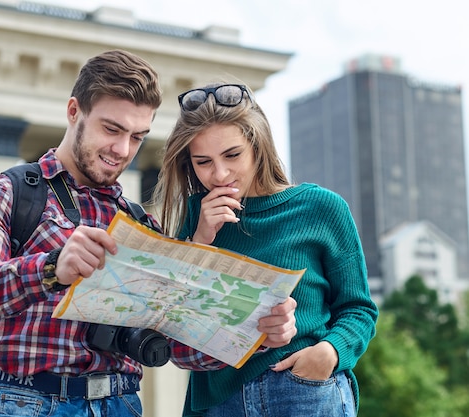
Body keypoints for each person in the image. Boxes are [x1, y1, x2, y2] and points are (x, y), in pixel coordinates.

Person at [0, 51, 297, 417]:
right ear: (74, 111)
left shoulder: (142, 225)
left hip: (122, 403)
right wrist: (51, 268)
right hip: (26, 402)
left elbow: (178, 344)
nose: (122, 150)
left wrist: (257, 333)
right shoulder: (7, 193)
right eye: (112, 129)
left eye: (137, 137)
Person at [153, 82, 379, 417]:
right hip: (217, 402)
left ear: (257, 145)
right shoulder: (194, 216)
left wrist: (329, 353)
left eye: (232, 155)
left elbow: (359, 309)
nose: (220, 174)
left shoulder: (321, 207)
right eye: (203, 162)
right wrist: (200, 241)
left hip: (302, 390)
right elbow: (171, 322)